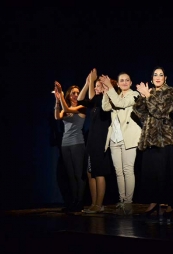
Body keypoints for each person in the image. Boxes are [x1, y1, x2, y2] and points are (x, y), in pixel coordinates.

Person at [134, 67, 173, 223]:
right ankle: (154, 201)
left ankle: (171, 203)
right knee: (150, 173)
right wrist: (142, 97)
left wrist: (148, 96)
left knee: (165, 172)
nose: (158, 77)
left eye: (161, 75)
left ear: (165, 77)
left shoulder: (171, 93)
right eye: (155, 75)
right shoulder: (150, 92)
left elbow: (160, 111)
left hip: (164, 138)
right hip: (149, 139)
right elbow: (140, 113)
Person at [101, 72, 141, 215]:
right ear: (117, 84)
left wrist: (110, 89)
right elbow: (106, 107)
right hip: (115, 138)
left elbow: (120, 104)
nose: (124, 82)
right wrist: (106, 92)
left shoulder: (134, 94)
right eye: (121, 81)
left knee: (128, 170)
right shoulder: (115, 95)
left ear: (130, 83)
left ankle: (128, 203)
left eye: (127, 80)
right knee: (118, 172)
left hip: (128, 137)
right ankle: (122, 200)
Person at [77, 69, 112, 214]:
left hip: (101, 139)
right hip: (91, 139)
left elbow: (92, 98)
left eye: (99, 86)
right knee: (90, 172)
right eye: (95, 86)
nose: (96, 88)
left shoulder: (106, 101)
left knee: (99, 172)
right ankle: (93, 203)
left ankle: (99, 204)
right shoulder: (95, 103)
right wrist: (87, 83)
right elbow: (80, 99)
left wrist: (92, 81)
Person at [54, 81, 87, 212]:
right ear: (69, 95)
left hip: (77, 143)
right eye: (73, 93)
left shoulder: (82, 107)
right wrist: (57, 100)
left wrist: (61, 93)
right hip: (65, 144)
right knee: (71, 175)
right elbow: (57, 116)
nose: (75, 95)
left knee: (79, 174)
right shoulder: (64, 108)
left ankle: (80, 202)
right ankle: (73, 201)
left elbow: (67, 109)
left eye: (77, 93)